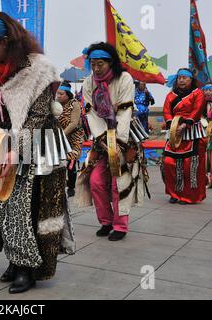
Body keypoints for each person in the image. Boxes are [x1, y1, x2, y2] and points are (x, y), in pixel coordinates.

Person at [0, 12, 75, 294]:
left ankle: (27, 267)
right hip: (0, 144)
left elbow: (38, 116)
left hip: (36, 146)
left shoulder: (39, 70)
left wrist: (15, 152)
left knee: (25, 207)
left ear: (5, 42)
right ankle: (14, 259)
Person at [76, 42, 148, 241]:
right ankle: (105, 221)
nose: (96, 68)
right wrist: (102, 138)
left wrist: (117, 141)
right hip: (101, 140)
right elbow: (90, 111)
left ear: (110, 63)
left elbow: (125, 111)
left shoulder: (124, 78)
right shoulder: (89, 82)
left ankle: (120, 226)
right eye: (93, 64)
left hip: (124, 138)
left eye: (100, 64)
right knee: (96, 181)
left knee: (120, 183)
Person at [163, 69, 206, 204]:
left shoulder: (197, 93)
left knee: (189, 166)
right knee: (169, 163)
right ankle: (174, 193)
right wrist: (173, 125)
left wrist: (185, 125)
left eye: (184, 78)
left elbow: (197, 110)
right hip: (174, 131)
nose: (181, 80)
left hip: (192, 131)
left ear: (191, 80)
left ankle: (189, 196)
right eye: (179, 78)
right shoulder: (171, 95)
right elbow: (166, 111)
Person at [56, 81, 85, 197]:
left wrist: (61, 135)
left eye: (61, 94)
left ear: (68, 94)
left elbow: (73, 123)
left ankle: (71, 187)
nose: (58, 96)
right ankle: (60, 184)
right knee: (59, 161)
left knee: (71, 161)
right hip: (61, 136)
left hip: (74, 137)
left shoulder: (75, 104)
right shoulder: (56, 105)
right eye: (57, 93)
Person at [203, 83, 212, 188]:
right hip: (204, 131)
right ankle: (206, 178)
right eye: (206, 90)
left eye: (210, 90)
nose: (208, 92)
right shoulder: (201, 103)